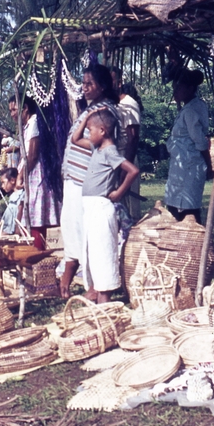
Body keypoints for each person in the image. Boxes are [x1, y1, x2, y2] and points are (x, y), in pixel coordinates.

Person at [60, 65, 120, 298]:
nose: (84, 88)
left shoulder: (105, 112)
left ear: (102, 86)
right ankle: (78, 278)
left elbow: (107, 147)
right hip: (74, 179)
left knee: (88, 234)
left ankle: (96, 287)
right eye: (83, 83)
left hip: (86, 180)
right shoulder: (91, 109)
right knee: (73, 227)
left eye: (89, 84)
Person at [71, 108, 139, 304]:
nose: (87, 134)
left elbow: (132, 170)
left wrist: (119, 192)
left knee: (104, 252)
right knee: (92, 252)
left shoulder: (110, 151)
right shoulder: (96, 148)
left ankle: (105, 298)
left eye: (90, 130)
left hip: (101, 207)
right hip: (90, 208)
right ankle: (97, 291)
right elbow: (75, 139)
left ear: (102, 131)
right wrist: (85, 119)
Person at [8, 95, 59, 250]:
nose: (12, 114)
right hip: (31, 173)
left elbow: (33, 154)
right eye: (10, 110)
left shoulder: (35, 122)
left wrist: (22, 175)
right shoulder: (28, 125)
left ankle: (37, 252)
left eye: (14, 109)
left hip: (37, 174)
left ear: (25, 109)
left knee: (36, 215)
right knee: (29, 213)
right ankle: (32, 251)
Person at [164, 68, 212, 223]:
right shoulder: (188, 108)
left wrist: (209, 164)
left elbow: (200, 141)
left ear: (190, 89)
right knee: (175, 207)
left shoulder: (192, 110)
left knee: (188, 210)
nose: (175, 92)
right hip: (181, 166)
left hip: (190, 166)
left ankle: (196, 242)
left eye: (179, 88)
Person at [109, 67, 143, 219]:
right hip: (111, 161)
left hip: (125, 159)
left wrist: (126, 169)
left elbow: (133, 138)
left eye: (112, 80)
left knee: (128, 207)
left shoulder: (129, 104)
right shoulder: (108, 104)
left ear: (119, 82)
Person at [0, 167, 25, 235]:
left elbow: (20, 212)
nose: (2, 186)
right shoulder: (13, 196)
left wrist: (17, 231)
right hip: (7, 228)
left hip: (12, 231)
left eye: (3, 182)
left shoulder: (20, 195)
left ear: (12, 180)